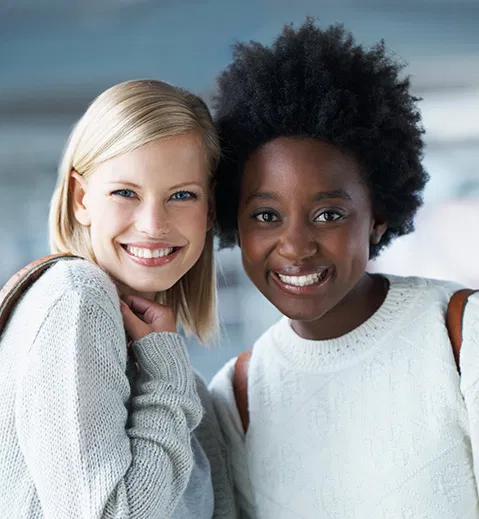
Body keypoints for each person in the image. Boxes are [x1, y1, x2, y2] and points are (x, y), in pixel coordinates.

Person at [209, 19, 479, 519]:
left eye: (328, 214)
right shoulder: (237, 396)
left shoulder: (462, 335)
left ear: (377, 218)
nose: (295, 246)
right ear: (235, 224)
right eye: (266, 216)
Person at [0, 79, 235, 518]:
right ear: (80, 198)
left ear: (210, 210)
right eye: (125, 192)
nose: (152, 224)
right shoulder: (76, 301)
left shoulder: (180, 382)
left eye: (182, 195)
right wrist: (166, 376)